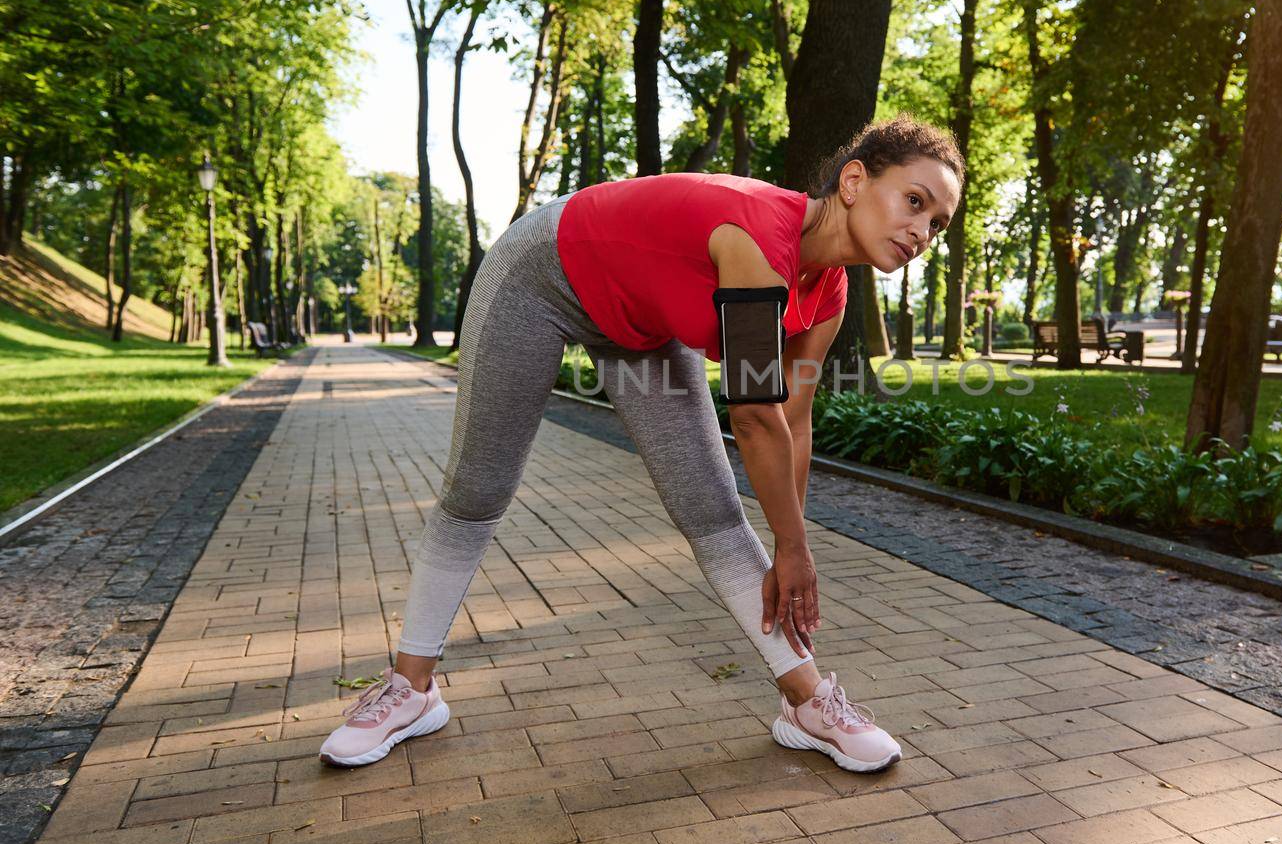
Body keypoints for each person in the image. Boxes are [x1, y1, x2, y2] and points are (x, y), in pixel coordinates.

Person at [318, 115, 964, 774]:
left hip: (639, 323)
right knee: (478, 491)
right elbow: (750, 415)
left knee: (712, 511)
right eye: (914, 200)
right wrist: (793, 551)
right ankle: (411, 691)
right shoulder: (758, 242)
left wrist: (786, 543)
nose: (922, 230)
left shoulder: (828, 295)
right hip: (543, 274)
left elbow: (791, 421)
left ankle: (808, 704)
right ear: (854, 181)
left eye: (938, 223)